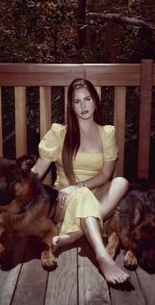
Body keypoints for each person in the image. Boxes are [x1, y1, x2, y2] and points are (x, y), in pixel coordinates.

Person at [31, 78, 130, 285]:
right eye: (77, 102)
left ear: (95, 101)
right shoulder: (59, 133)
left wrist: (79, 186)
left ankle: (73, 235)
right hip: (64, 200)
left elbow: (105, 175)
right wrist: (18, 183)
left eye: (87, 99)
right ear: (71, 106)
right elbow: (38, 170)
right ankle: (103, 257)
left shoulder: (107, 133)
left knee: (121, 182)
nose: (83, 106)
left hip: (93, 193)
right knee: (84, 195)